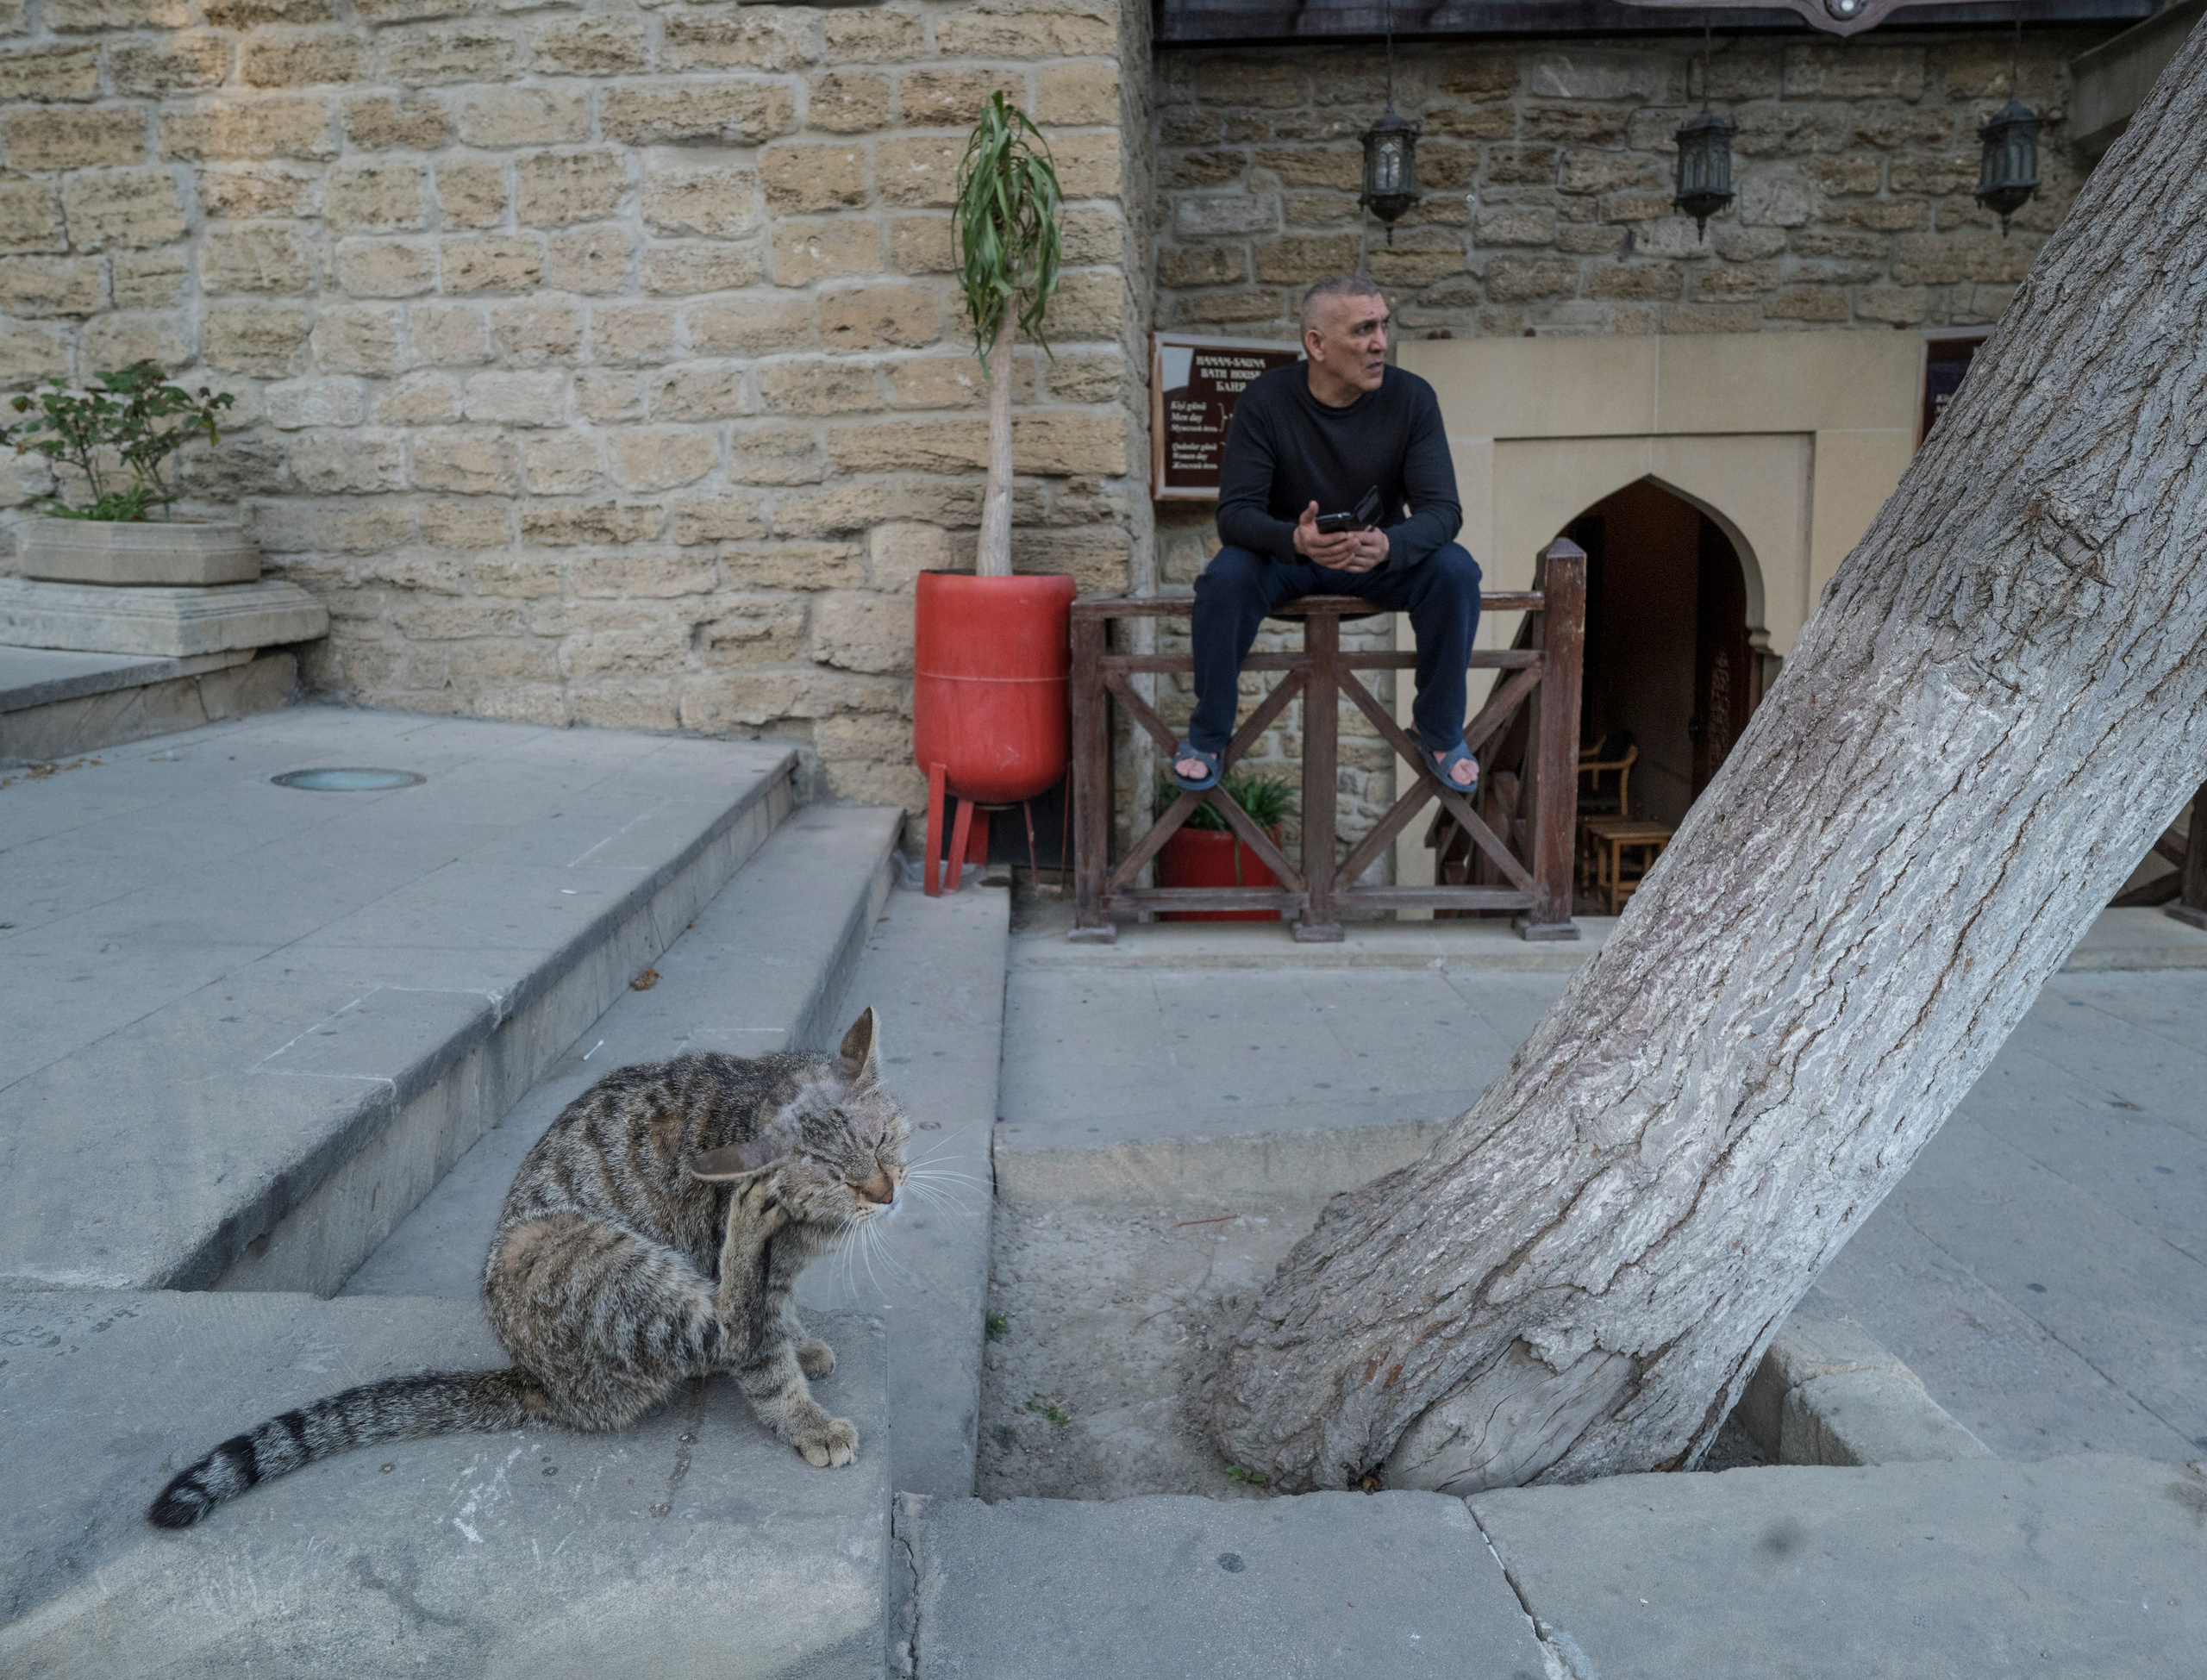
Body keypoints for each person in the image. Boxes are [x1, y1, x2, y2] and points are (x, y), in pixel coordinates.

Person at [1172, 274, 1483, 796]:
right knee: (1225, 577)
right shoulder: (1265, 400)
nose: (1381, 342)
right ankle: (1208, 734)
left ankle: (1440, 729)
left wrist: (1391, 545)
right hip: (1287, 558)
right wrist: (1293, 540)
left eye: (1383, 326)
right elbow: (1236, 515)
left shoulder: (1413, 400)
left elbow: (1443, 510)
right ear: (1316, 344)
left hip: (1375, 560)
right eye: (1363, 330)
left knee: (1456, 570)